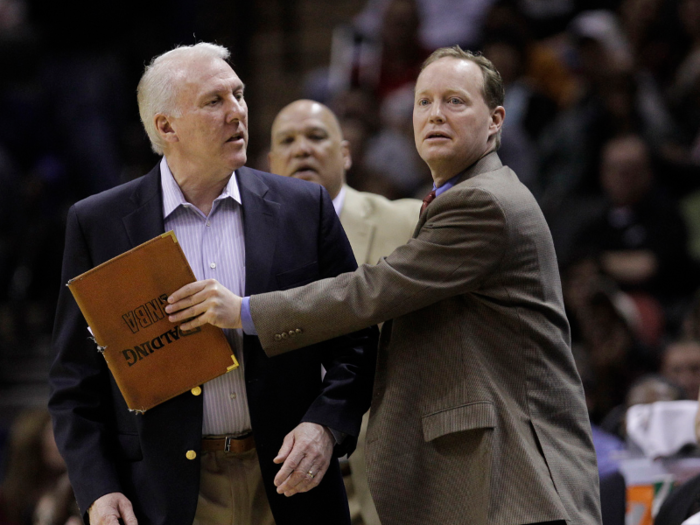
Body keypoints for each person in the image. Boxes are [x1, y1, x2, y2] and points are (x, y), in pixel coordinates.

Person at [166, 46, 602, 524]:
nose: (435, 115)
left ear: (496, 120)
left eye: (455, 101)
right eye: (424, 102)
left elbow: (373, 289)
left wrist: (245, 312)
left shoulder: (484, 202)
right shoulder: (457, 197)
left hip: (519, 483)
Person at [48, 42, 376, 525]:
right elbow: (74, 381)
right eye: (214, 101)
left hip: (291, 481)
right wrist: (98, 489)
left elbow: (357, 337)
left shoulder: (304, 208)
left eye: (238, 94)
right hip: (169, 494)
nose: (237, 112)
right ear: (165, 126)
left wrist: (326, 425)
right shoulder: (99, 223)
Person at [268, 98, 420, 524]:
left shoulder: (408, 223)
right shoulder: (250, 253)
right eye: (288, 140)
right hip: (292, 476)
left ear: (346, 153)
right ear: (270, 162)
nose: (303, 148)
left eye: (316, 137)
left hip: (396, 464)